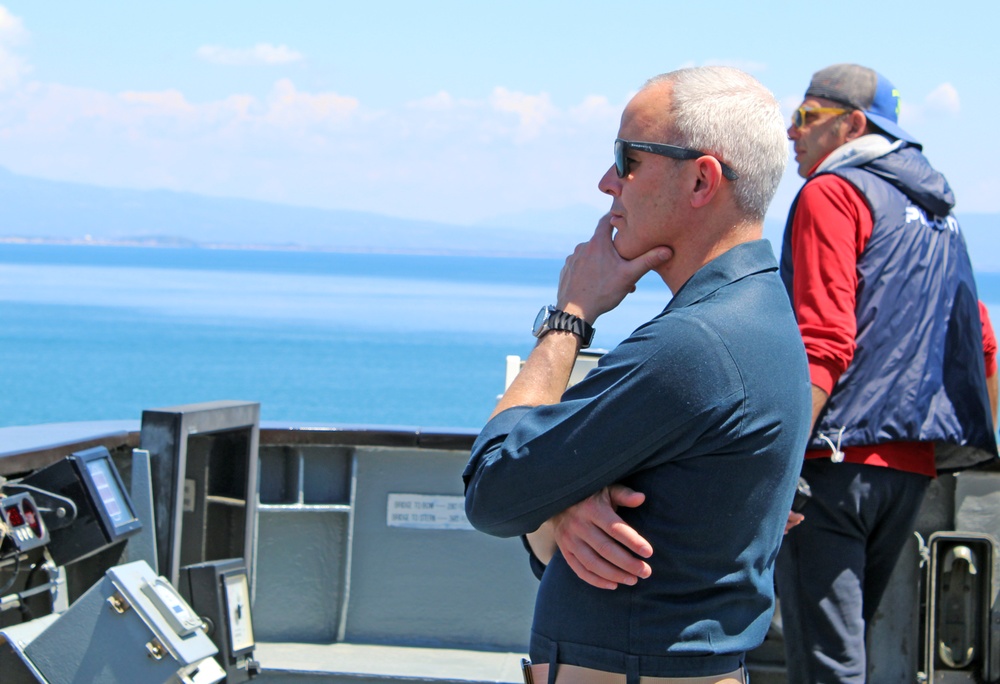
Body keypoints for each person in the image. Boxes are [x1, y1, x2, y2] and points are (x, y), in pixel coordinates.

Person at [463, 66, 812, 683]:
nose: (606, 183)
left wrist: (569, 318)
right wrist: (563, 502)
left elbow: (493, 490)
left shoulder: (696, 344)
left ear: (702, 178)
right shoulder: (756, 315)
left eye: (627, 159)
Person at [774, 63, 1000, 683]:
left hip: (834, 465)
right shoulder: (939, 215)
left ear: (851, 125)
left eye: (804, 116)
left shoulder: (833, 192)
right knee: (849, 652)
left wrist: (781, 454)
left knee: (828, 665)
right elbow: (982, 343)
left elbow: (822, 338)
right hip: (909, 472)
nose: (790, 131)